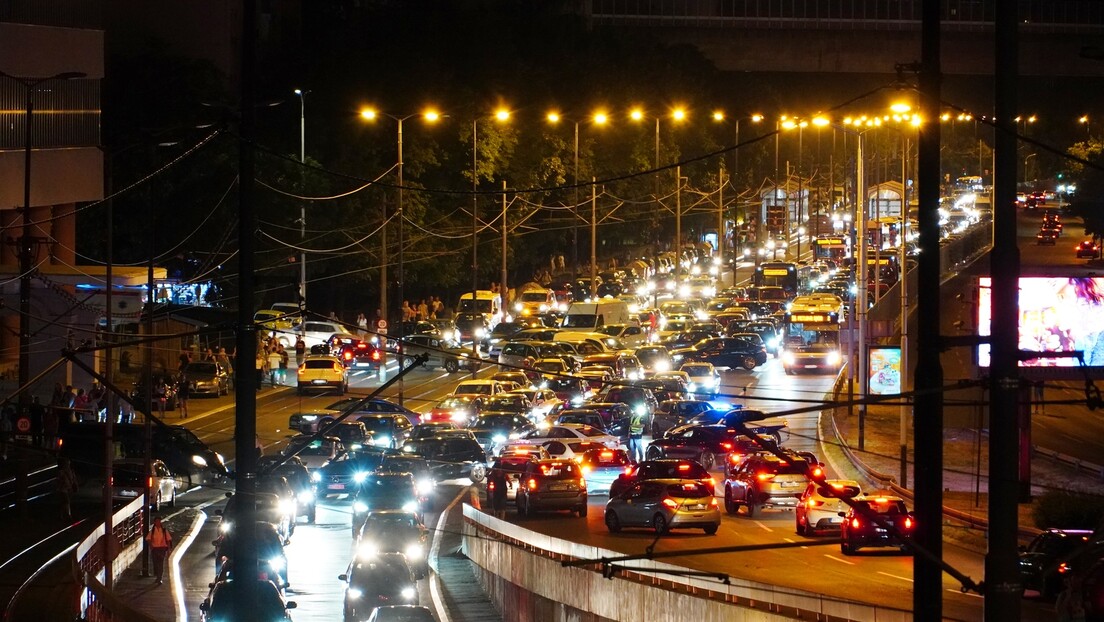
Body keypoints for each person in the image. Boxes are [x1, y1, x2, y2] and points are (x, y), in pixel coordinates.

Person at [146, 517, 173, 585]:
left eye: (159, 521)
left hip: (162, 549)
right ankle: (157, 576)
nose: (158, 523)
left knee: (160, 563)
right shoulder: (152, 531)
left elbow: (168, 540)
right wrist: (151, 546)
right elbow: (148, 538)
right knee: (155, 563)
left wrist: (169, 549)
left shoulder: (164, 530)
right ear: (154, 523)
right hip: (155, 549)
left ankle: (159, 578)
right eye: (157, 521)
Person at [56, 457, 78, 521]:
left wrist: (74, 485)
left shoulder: (71, 471)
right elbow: (58, 480)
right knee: (66, 501)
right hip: (62, 489)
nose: (67, 464)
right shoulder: (61, 472)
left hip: (68, 488)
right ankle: (68, 515)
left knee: (64, 503)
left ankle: (62, 515)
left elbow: (74, 479)